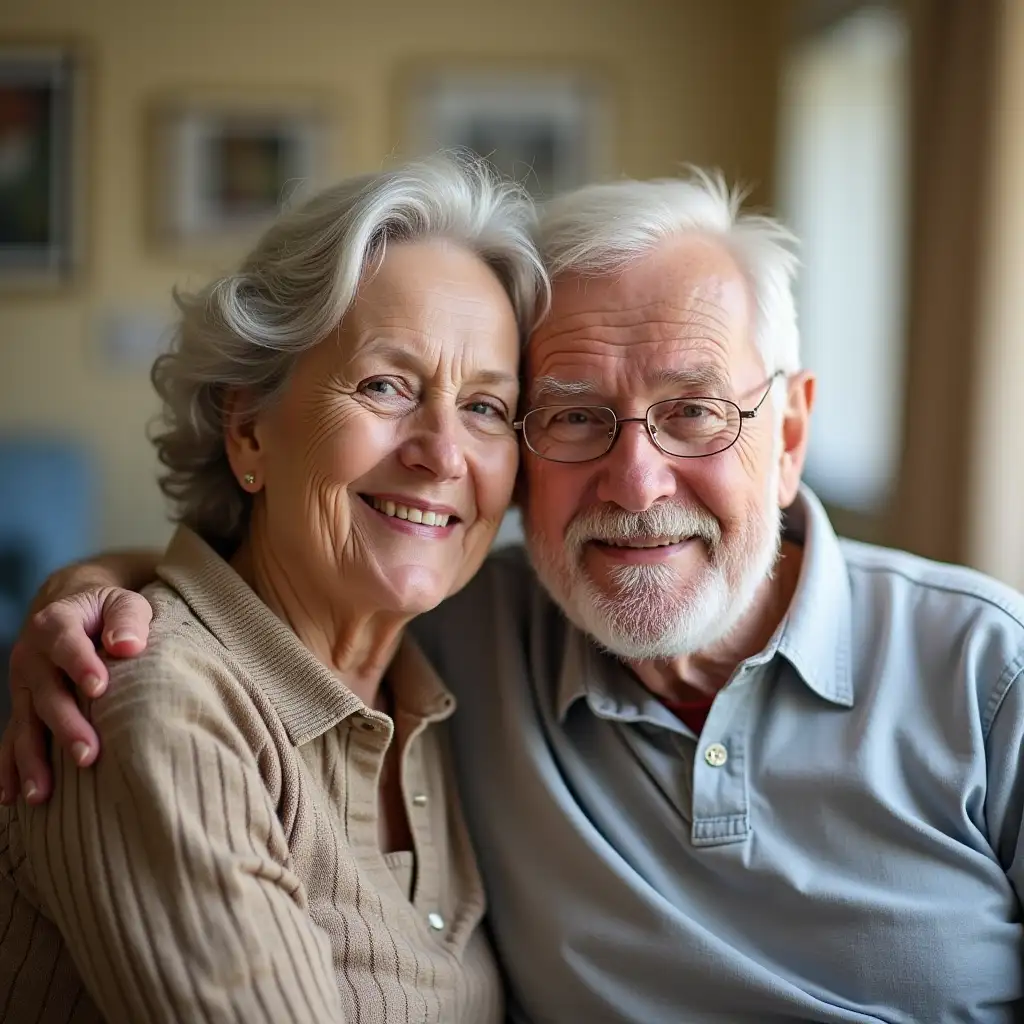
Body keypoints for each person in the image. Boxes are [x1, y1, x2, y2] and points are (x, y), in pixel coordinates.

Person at [6, 170, 1024, 1024]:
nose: (635, 483)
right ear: (248, 432)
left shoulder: (988, 673)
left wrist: (98, 584)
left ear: (789, 435)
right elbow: (233, 620)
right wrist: (103, 598)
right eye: (574, 415)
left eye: (695, 411)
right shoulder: (475, 637)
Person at [0, 154, 548, 1023]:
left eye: (485, 407)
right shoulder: (156, 709)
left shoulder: (445, 671)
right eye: (385, 385)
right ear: (249, 430)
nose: (443, 453)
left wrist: (104, 571)